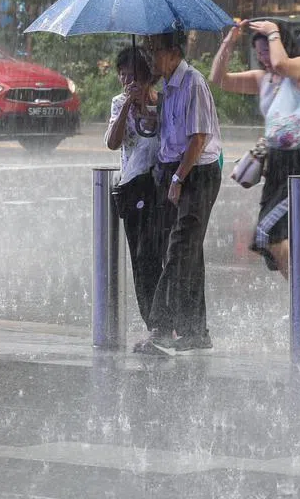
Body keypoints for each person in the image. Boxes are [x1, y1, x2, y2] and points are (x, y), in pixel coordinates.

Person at [209, 19, 300, 279]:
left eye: (267, 51)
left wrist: (272, 30)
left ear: (281, 43)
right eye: (259, 53)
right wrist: (229, 42)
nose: (264, 58)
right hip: (277, 160)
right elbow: (219, 78)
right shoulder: (264, 79)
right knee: (273, 237)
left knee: (268, 232)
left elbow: (282, 64)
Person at [140, 30, 223, 356]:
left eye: (155, 50)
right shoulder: (167, 88)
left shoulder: (193, 83)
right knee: (189, 254)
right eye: (148, 50)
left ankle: (162, 327)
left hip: (196, 173)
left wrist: (178, 178)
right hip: (174, 171)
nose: (150, 57)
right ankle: (195, 331)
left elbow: (199, 138)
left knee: (178, 250)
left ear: (174, 52)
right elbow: (166, 133)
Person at [104, 46, 161, 344]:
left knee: (160, 254)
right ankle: (155, 322)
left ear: (147, 77)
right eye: (123, 75)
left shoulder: (161, 101)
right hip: (133, 185)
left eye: (133, 76)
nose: (127, 81)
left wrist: (147, 109)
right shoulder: (119, 103)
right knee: (141, 257)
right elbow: (113, 142)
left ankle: (169, 321)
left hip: (161, 183)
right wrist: (128, 104)